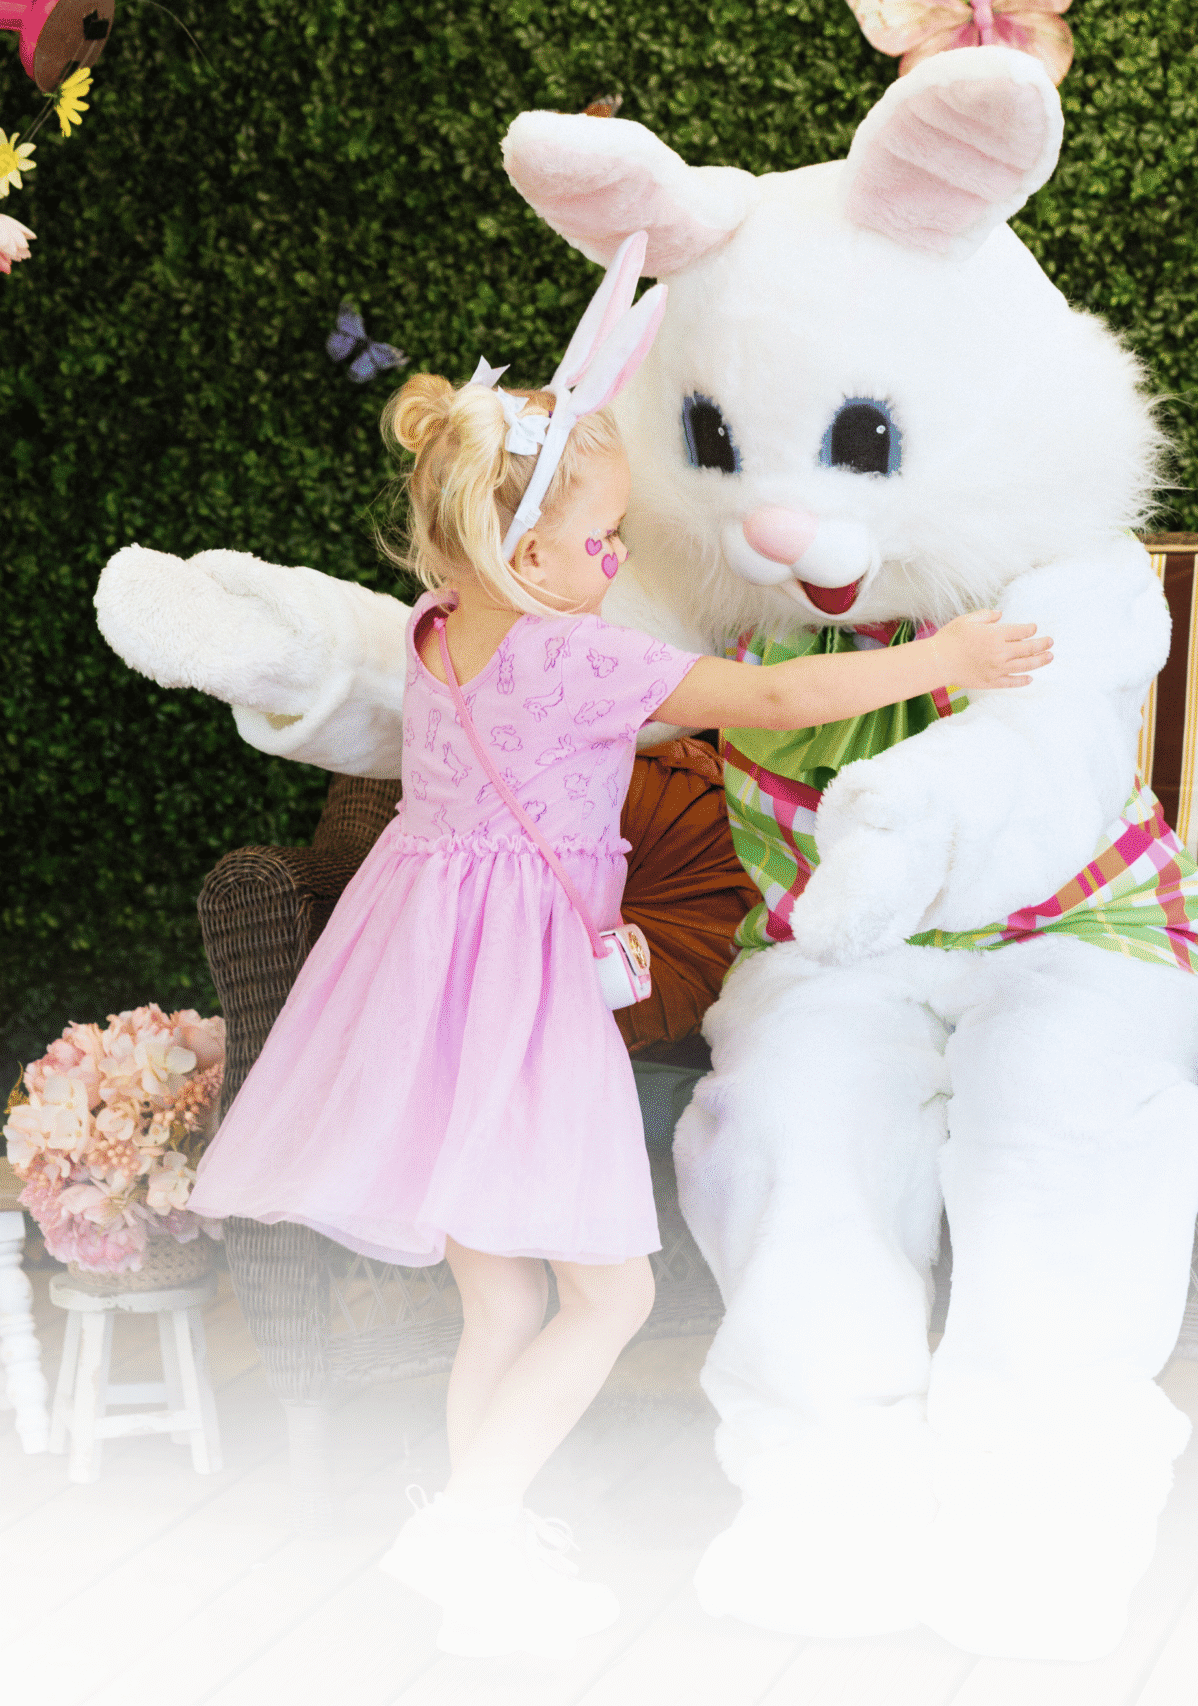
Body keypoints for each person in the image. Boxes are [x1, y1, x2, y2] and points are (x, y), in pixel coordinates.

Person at [185, 297, 1050, 1655]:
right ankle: (470, 1523)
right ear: (525, 549)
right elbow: (761, 701)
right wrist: (947, 656)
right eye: (599, 541)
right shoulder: (577, 655)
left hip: (420, 979)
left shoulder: (434, 629)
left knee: (505, 1296)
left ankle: (477, 1544)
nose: (615, 557)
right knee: (612, 1293)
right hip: (523, 994)